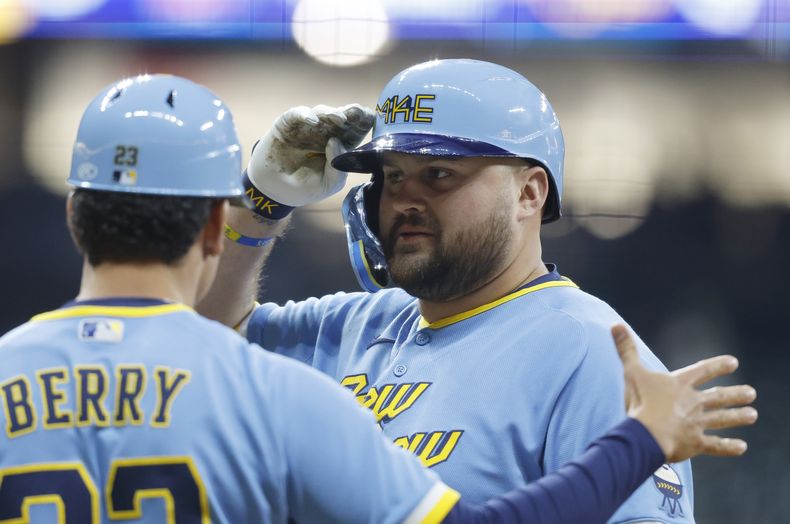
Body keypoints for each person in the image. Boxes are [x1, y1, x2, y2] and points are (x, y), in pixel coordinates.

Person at [0, 74, 757, 524]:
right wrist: (259, 209)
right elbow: (190, 345)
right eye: (392, 176)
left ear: (531, 192)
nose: (405, 199)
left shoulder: (597, 351)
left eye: (441, 175)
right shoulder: (349, 324)